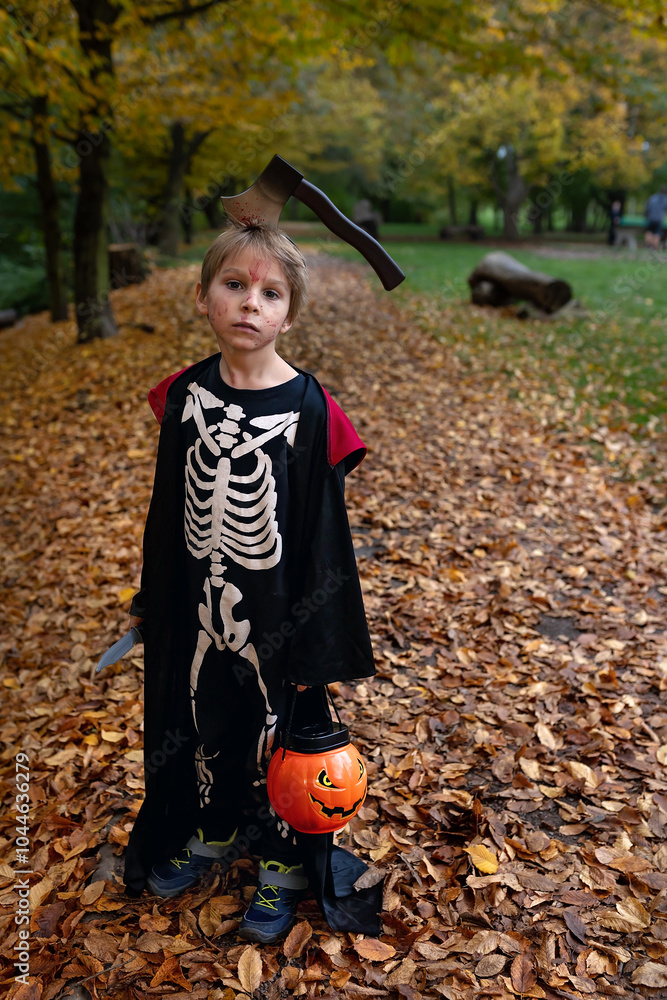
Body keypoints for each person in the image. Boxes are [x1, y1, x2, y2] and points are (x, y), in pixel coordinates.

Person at [122, 221, 382, 944]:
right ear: (202, 298)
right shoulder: (182, 395)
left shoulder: (308, 408)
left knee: (279, 736)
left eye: (269, 293)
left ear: (288, 314)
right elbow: (165, 505)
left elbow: (323, 536)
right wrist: (151, 594)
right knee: (203, 725)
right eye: (233, 286)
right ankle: (213, 826)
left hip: (277, 614)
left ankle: (282, 861)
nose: (249, 304)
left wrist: (315, 638)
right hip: (195, 605)